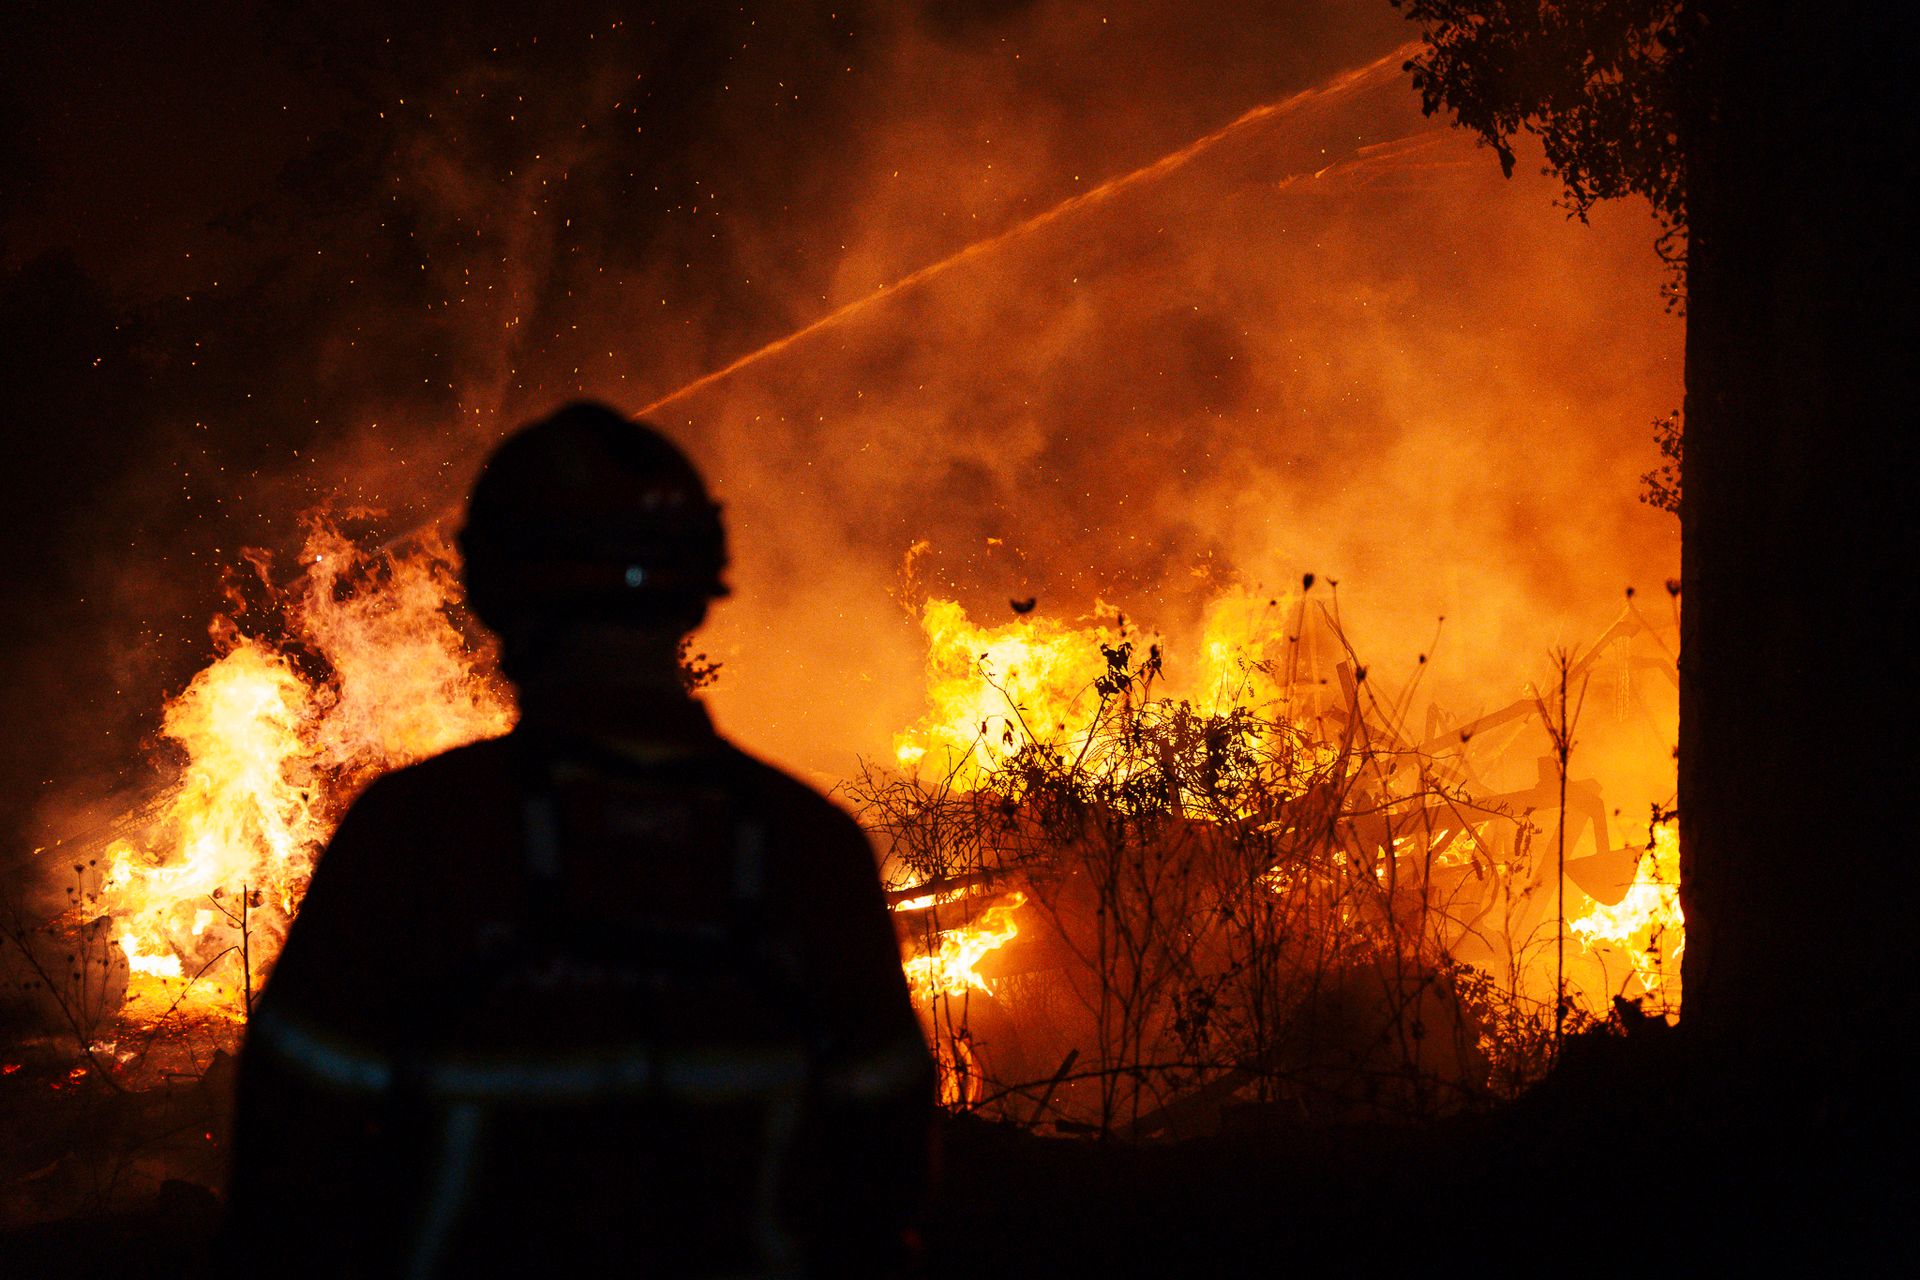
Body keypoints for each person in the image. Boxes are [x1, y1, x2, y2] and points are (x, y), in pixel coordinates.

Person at [225, 402, 933, 1278]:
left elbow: (286, 1175)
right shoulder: (806, 847)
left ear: (492, 595)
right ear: (694, 594)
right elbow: (886, 1180)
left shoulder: (417, 836)